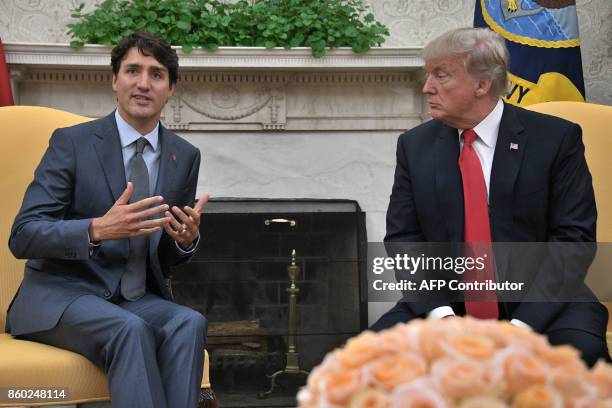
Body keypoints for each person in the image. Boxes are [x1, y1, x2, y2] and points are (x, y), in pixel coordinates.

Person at [371, 27, 610, 366]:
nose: (427, 88)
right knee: (370, 359)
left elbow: (573, 241)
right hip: (446, 306)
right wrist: (442, 317)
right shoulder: (414, 146)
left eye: (441, 76)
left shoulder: (555, 140)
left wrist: (520, 328)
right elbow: (404, 239)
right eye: (428, 75)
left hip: (547, 306)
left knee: (581, 361)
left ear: (482, 85)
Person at [6, 32, 208, 408]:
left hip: (133, 298)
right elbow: (23, 236)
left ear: (171, 88)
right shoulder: (71, 143)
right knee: (128, 330)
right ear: (115, 80)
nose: (143, 83)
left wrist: (183, 240)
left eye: (156, 74)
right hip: (62, 296)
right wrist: (96, 229)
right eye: (132, 70)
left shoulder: (184, 155)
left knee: (188, 322)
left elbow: (161, 259)